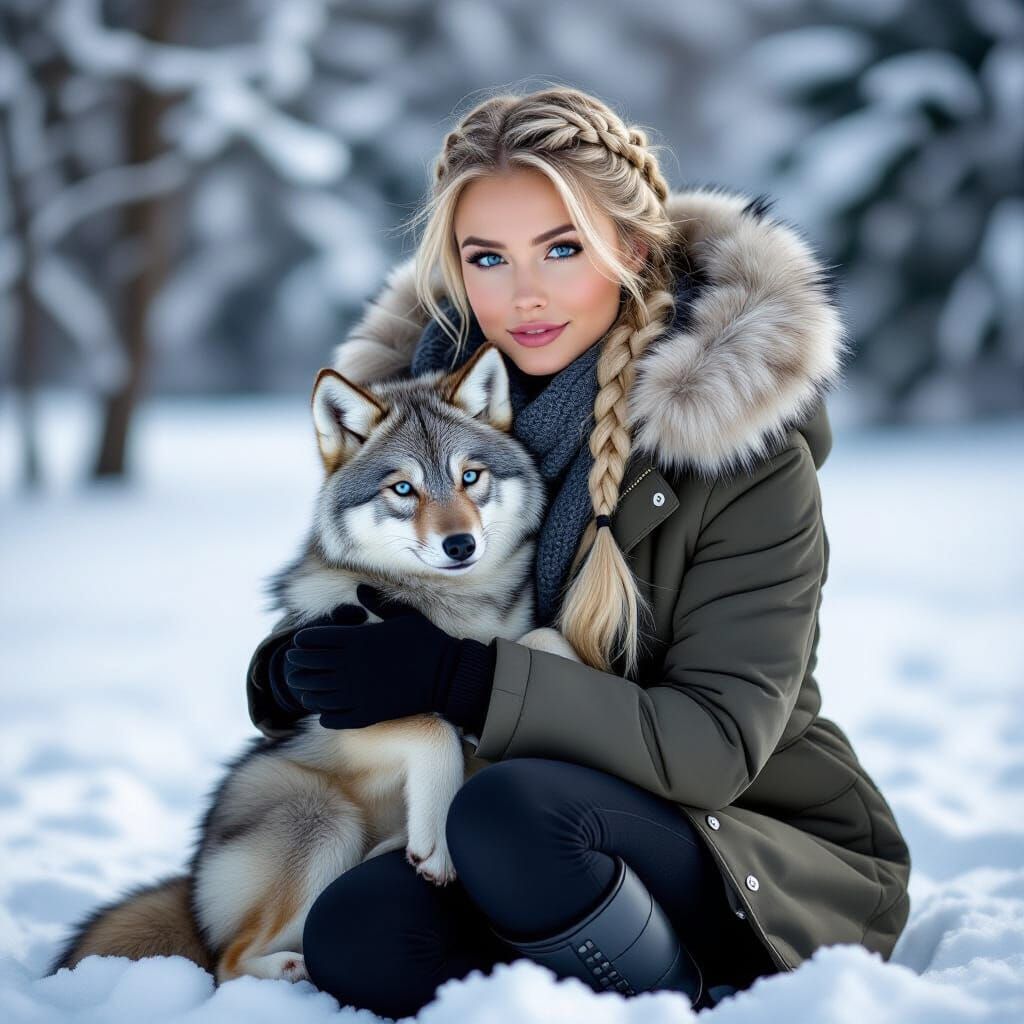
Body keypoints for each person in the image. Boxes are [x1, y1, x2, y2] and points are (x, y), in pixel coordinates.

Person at [245, 86, 912, 1018]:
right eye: (489, 258)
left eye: (563, 249)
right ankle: (569, 957)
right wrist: (299, 670)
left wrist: (462, 682)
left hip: (747, 845)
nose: (524, 295)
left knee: (511, 814)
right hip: (520, 825)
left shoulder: (743, 455)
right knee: (359, 935)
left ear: (631, 249)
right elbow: (372, 600)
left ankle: (671, 991)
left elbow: (718, 747)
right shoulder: (437, 415)